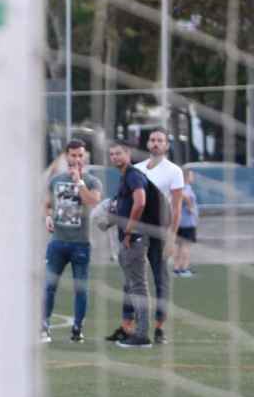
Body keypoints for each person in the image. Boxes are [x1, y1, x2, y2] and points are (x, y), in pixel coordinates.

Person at [41, 140, 102, 343]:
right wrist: (48, 216)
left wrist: (79, 183)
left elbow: (93, 201)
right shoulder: (56, 180)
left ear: (85, 157)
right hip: (57, 242)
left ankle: (77, 328)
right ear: (67, 156)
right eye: (73, 155)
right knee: (49, 286)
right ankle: (44, 327)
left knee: (80, 289)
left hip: (80, 244)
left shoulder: (92, 181)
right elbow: (47, 204)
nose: (77, 159)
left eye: (80, 155)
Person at [127, 127, 183, 344]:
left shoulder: (174, 171)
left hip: (160, 232)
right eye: (153, 140)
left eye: (160, 140)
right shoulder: (137, 169)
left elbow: (176, 208)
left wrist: (172, 237)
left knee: (161, 280)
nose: (156, 143)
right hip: (139, 231)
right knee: (132, 280)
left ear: (167, 145)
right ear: (147, 144)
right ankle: (130, 325)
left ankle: (160, 327)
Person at [107, 142, 154, 349]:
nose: (114, 157)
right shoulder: (125, 176)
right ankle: (135, 331)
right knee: (131, 287)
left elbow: (141, 202)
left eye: (118, 153)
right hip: (129, 238)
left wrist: (129, 230)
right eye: (111, 154)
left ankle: (142, 335)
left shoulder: (133, 175)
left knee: (138, 287)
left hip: (134, 239)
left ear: (128, 154)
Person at [174, 168, 198, 277]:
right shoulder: (185, 188)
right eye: (192, 175)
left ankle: (177, 268)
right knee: (186, 246)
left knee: (179, 246)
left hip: (180, 222)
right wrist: (190, 206)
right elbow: (185, 196)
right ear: (187, 177)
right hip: (187, 222)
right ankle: (184, 269)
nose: (193, 178)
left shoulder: (180, 188)